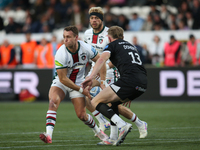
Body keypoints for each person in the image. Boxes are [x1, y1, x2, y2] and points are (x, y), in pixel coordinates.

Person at [84, 7, 148, 142]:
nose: (94, 20)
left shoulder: (111, 39)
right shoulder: (130, 45)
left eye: (96, 18)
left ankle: (130, 124)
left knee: (101, 102)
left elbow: (102, 59)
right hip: (138, 80)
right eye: (92, 18)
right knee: (84, 93)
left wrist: (93, 77)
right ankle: (110, 134)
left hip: (112, 74)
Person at [39, 25, 108, 144]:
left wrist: (102, 81)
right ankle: (48, 135)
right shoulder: (61, 53)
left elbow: (100, 61)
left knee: (82, 115)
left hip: (78, 83)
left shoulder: (86, 48)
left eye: (68, 37)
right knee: (53, 102)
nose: (65, 40)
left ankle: (99, 133)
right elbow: (63, 79)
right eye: (64, 37)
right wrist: (82, 91)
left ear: (76, 37)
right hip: (62, 82)